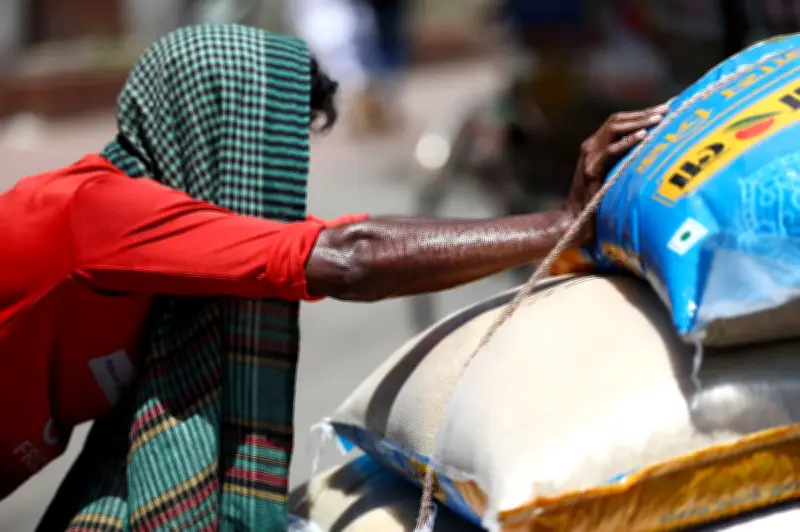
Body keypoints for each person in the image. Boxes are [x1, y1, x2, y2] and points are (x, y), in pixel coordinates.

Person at [0, 25, 666, 531]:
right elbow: (350, 255)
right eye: (270, 154)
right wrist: (565, 225)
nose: (278, 190)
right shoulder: (100, 216)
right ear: (216, 125)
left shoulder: (171, 242)